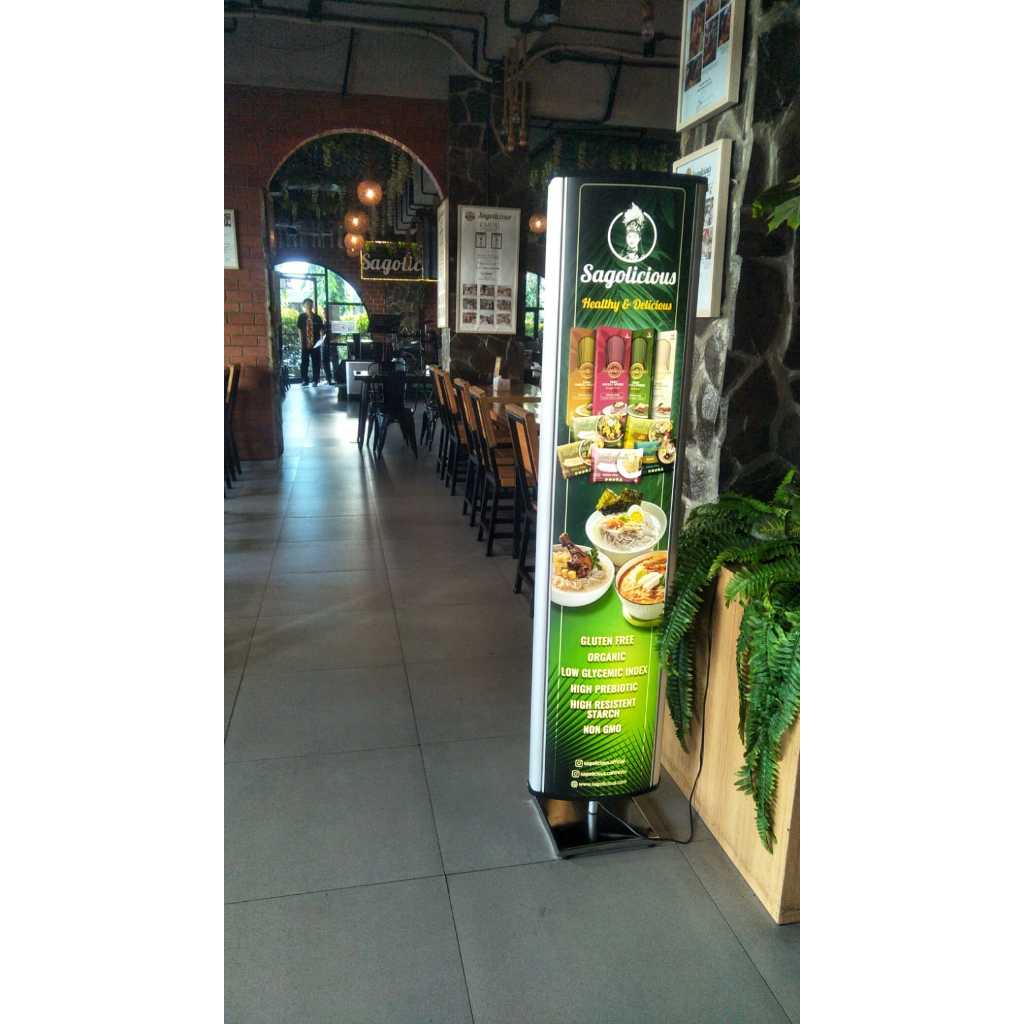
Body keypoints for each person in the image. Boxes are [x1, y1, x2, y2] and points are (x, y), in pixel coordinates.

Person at [297, 299, 325, 385]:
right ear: (304, 306)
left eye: (310, 304)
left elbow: (321, 330)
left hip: (315, 344)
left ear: (312, 306)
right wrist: (300, 342)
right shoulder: (301, 317)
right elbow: (299, 330)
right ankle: (305, 380)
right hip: (305, 343)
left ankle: (315, 380)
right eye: (307, 304)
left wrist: (321, 341)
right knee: (304, 362)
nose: (309, 306)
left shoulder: (317, 317)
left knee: (316, 362)